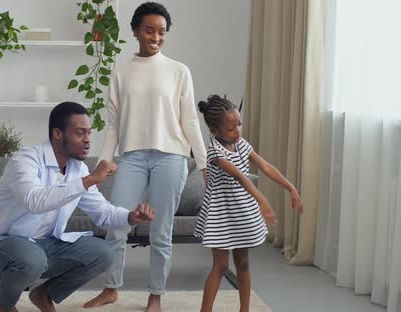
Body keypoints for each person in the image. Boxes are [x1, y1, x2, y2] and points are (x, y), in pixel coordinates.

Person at [84, 3, 208, 312]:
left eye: (162, 32)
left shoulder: (179, 71)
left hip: (171, 157)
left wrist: (204, 163)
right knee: (116, 224)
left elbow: (190, 120)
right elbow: (113, 123)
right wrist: (103, 161)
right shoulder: (121, 71)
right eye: (150, 30)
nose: (156, 37)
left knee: (160, 231)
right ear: (136, 30)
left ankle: (156, 296)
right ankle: (111, 288)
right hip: (133, 158)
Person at [0, 101, 156, 312]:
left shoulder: (76, 168)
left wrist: (131, 217)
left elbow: (103, 213)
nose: (88, 140)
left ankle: (44, 294)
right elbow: (36, 201)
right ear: (58, 134)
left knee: (104, 253)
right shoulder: (25, 160)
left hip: (45, 246)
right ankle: (2, 301)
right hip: (3, 246)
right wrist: (89, 179)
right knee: (32, 259)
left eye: (89, 133)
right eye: (80, 133)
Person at [194, 95, 304, 312]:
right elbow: (239, 176)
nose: (237, 131)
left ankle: (245, 309)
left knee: (243, 264)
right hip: (221, 214)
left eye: (239, 124)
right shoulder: (215, 151)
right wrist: (261, 199)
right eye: (231, 128)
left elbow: (265, 166)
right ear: (214, 131)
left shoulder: (241, 144)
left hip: (241, 211)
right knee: (221, 266)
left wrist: (290, 186)